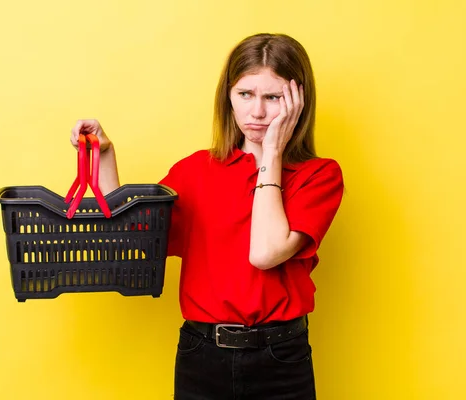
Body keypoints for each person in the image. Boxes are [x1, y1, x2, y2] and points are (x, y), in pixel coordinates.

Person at [70, 33, 344, 400]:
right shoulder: (195, 171)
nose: (258, 112)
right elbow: (130, 238)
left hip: (282, 359)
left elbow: (264, 253)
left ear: (298, 102)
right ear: (228, 97)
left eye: (273, 97)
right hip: (202, 357)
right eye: (245, 94)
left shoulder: (319, 176)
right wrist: (104, 154)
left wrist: (272, 153)